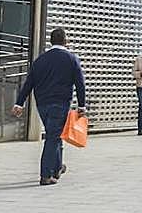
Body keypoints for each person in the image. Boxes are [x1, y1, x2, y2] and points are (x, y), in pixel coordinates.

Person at [12, 28, 86, 186]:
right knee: (53, 137)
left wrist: (19, 103)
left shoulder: (40, 60)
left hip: (42, 104)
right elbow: (80, 83)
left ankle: (57, 167)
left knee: (55, 134)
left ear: (51, 41)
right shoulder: (71, 59)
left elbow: (29, 83)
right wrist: (81, 106)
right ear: (65, 41)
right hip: (60, 104)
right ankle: (46, 175)